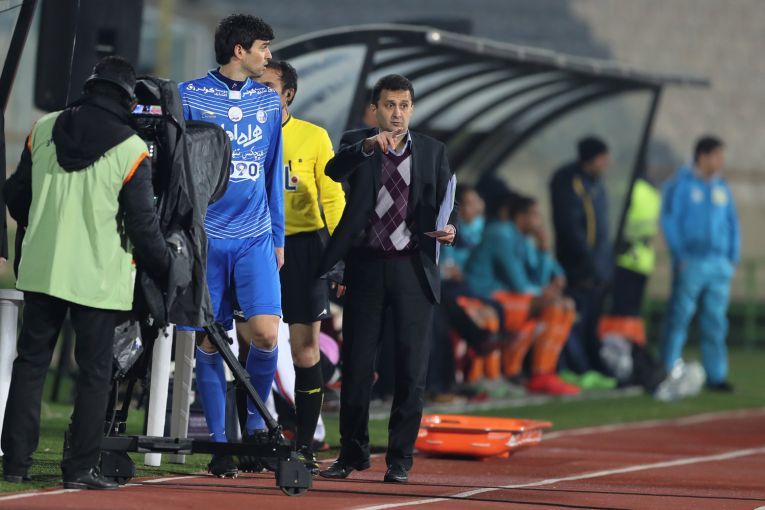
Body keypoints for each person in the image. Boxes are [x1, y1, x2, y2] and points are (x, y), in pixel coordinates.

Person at [1, 56, 171, 489]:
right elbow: (142, 224)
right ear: (127, 99)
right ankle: (79, 469)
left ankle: (16, 463)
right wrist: (168, 266)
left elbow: (16, 194)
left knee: (31, 364)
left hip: (42, 268)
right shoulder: (132, 148)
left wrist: (42, 225)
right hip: (99, 276)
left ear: (90, 87)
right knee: (95, 373)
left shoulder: (43, 128)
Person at [317, 74, 456, 484]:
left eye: (404, 105)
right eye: (390, 105)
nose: (397, 113)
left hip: (413, 269)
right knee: (357, 368)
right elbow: (332, 171)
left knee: (411, 371)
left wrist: (452, 229)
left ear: (412, 109)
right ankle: (352, 453)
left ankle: (399, 460)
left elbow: (446, 204)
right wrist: (365, 148)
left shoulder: (433, 150)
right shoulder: (357, 143)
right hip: (366, 267)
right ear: (375, 109)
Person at [177, 14, 284, 478]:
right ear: (240, 50)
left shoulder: (268, 100)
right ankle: (219, 444)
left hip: (255, 236)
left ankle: (256, 424)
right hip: (206, 238)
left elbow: (272, 171)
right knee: (209, 339)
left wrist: (278, 236)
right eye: (263, 47)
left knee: (266, 334)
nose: (269, 56)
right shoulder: (188, 96)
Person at [255, 59, 345, 472]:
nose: (259, 91)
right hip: (255, 245)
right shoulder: (243, 132)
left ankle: (305, 446)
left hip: (303, 248)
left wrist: (340, 256)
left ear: (288, 94)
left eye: (268, 87)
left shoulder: (313, 136)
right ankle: (252, 440)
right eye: (255, 84)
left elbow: (332, 198)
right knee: (253, 344)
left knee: (304, 348)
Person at [465, 192, 579, 395]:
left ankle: (541, 373)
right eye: (535, 214)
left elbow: (539, 280)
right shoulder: (501, 234)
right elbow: (518, 283)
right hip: (483, 296)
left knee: (564, 306)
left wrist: (544, 249)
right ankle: (538, 375)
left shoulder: (523, 239)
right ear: (520, 217)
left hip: (507, 297)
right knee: (553, 305)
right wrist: (543, 294)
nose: (539, 221)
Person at [660, 136, 739, 392]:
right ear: (702, 156)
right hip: (691, 262)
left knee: (716, 322)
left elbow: (732, 223)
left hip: (719, 264)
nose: (721, 161)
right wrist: (680, 256)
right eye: (717, 155)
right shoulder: (680, 185)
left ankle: (716, 376)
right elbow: (670, 221)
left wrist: (731, 257)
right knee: (680, 318)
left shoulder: (721, 187)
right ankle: (668, 370)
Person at [550, 137, 612, 378]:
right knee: (577, 318)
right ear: (592, 158)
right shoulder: (569, 181)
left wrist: (603, 264)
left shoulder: (595, 183)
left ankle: (592, 363)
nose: (607, 163)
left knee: (592, 320)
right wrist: (587, 259)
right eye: (603, 157)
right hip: (577, 266)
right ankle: (576, 367)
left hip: (596, 267)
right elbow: (570, 227)